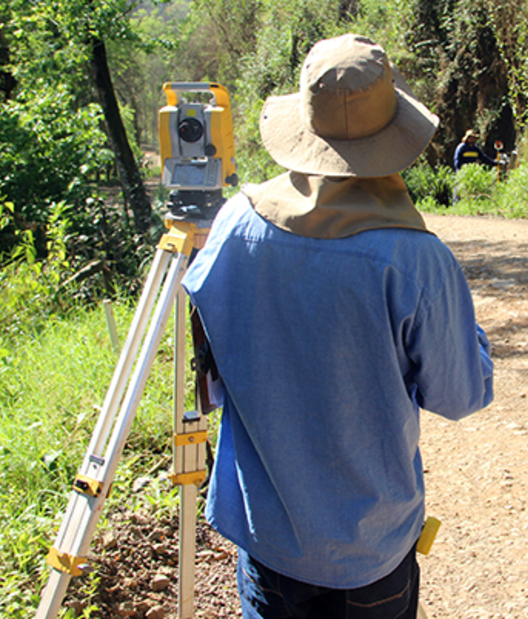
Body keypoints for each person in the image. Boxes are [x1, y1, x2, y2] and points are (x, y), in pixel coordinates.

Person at [181, 34, 494, 619]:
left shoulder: (232, 226)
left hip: (267, 534)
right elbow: (459, 395)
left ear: (303, 125)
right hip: (370, 547)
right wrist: (471, 340)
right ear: (394, 134)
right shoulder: (416, 259)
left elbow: (207, 380)